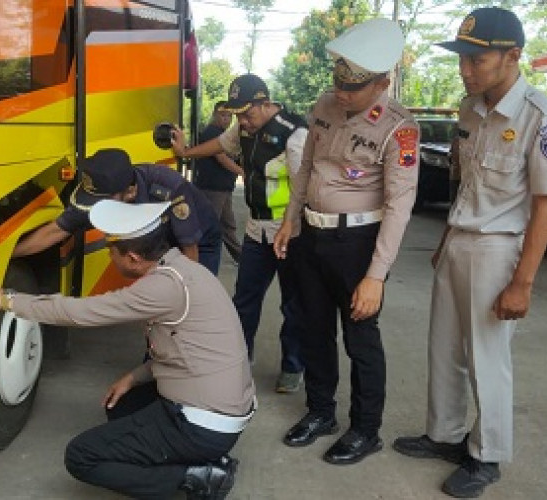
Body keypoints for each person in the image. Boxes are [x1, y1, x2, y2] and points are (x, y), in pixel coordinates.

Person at [0, 200, 256, 500]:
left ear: (132, 258)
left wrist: (5, 299)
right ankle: (197, 459)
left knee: (82, 456)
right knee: (120, 405)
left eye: (110, 252)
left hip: (203, 424)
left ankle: (196, 478)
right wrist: (134, 377)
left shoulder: (162, 288)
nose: (108, 257)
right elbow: (185, 352)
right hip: (224, 408)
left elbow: (81, 312)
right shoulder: (183, 269)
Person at [393, 7, 547, 498]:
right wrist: (443, 241)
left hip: (499, 249)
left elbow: (544, 206)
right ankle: (445, 434)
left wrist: (522, 282)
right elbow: (465, 184)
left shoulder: (534, 116)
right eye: (462, 58)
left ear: (513, 57)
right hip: (458, 240)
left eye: (477, 60)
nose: (465, 68)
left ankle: (488, 455)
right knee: (444, 348)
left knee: (487, 357)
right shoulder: (469, 109)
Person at [273, 18, 419, 464]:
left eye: (353, 87)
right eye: (338, 81)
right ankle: (321, 412)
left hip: (359, 244)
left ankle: (365, 429)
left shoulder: (400, 127)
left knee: (360, 339)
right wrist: (288, 220)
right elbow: (306, 170)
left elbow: (400, 205)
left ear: (383, 81)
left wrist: (375, 276)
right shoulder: (324, 104)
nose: (343, 92)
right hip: (312, 236)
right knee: (313, 329)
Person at [171, 74, 307, 393]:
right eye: (238, 116)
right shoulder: (244, 129)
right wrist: (185, 152)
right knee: (244, 299)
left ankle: (293, 366)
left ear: (265, 103)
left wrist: (290, 223)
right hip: (256, 229)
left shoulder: (295, 133)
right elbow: (220, 145)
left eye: (248, 114)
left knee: (293, 304)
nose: (243, 122)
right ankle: (240, 359)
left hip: (290, 232)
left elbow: (303, 187)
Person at [13, 148, 222, 275]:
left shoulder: (169, 189)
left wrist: (184, 295)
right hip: (156, 247)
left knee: (187, 309)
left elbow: (189, 251)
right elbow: (55, 231)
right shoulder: (102, 189)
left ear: (130, 192)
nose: (97, 209)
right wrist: (8, 255)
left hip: (197, 243)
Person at [192, 101, 244, 264]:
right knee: (209, 226)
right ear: (215, 115)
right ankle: (198, 258)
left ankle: (241, 257)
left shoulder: (222, 133)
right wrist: (243, 172)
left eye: (229, 116)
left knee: (228, 225)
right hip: (212, 188)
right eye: (223, 115)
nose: (227, 119)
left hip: (223, 188)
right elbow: (221, 159)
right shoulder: (212, 133)